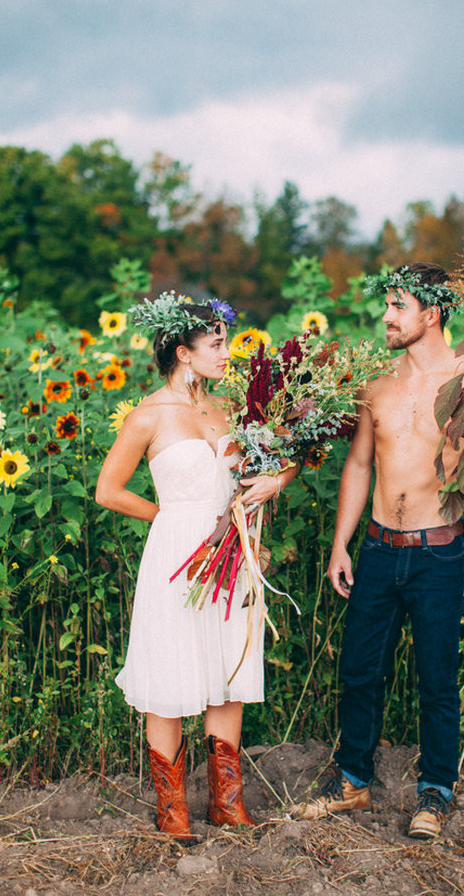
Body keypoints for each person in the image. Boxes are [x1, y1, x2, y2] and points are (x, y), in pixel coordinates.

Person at [294, 263, 464, 839]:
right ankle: (353, 783)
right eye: (387, 305)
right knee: (360, 671)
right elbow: (360, 463)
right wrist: (341, 544)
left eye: (398, 306)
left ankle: (436, 793)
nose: (387, 316)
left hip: (438, 552)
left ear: (431, 313)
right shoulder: (378, 380)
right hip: (377, 548)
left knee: (437, 677)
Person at [96, 294, 295, 842]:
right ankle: (173, 811)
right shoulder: (149, 415)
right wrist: (170, 519)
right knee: (171, 672)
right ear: (183, 353)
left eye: (225, 342)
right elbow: (108, 491)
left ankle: (227, 803)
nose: (228, 352)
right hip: (179, 554)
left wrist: (277, 480)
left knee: (227, 670)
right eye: (216, 344)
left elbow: (281, 459)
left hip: (233, 548)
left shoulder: (231, 409)